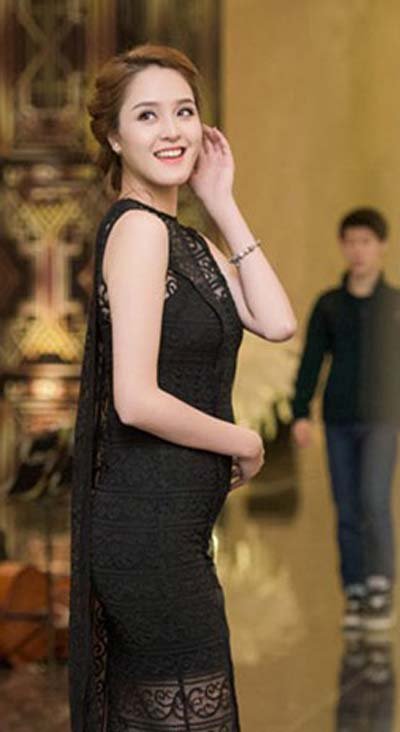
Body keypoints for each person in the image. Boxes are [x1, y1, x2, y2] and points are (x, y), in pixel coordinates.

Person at [69, 44, 296, 732]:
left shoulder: (182, 239)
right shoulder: (140, 232)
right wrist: (243, 441)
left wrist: (222, 202)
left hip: (172, 538)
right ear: (115, 137)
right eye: (147, 115)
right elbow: (134, 398)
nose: (171, 131)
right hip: (149, 539)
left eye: (184, 112)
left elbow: (277, 321)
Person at [291, 208, 400, 633]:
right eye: (351, 241)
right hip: (338, 419)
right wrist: (301, 412)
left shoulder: (394, 305)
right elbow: (311, 360)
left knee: (374, 497)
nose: (358, 250)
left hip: (384, 419)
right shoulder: (329, 305)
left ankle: (380, 586)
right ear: (342, 245)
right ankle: (354, 589)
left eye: (366, 242)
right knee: (347, 505)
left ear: (382, 246)